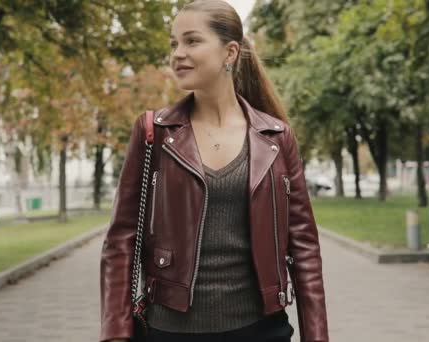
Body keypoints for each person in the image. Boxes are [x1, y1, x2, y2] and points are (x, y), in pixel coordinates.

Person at [99, 1, 329, 341]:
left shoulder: (276, 138)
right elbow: (120, 240)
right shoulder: (154, 132)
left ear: (230, 52)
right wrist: (116, 332)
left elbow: (305, 248)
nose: (178, 53)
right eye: (174, 43)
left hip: (261, 330)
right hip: (170, 331)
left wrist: (317, 336)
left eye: (192, 41)